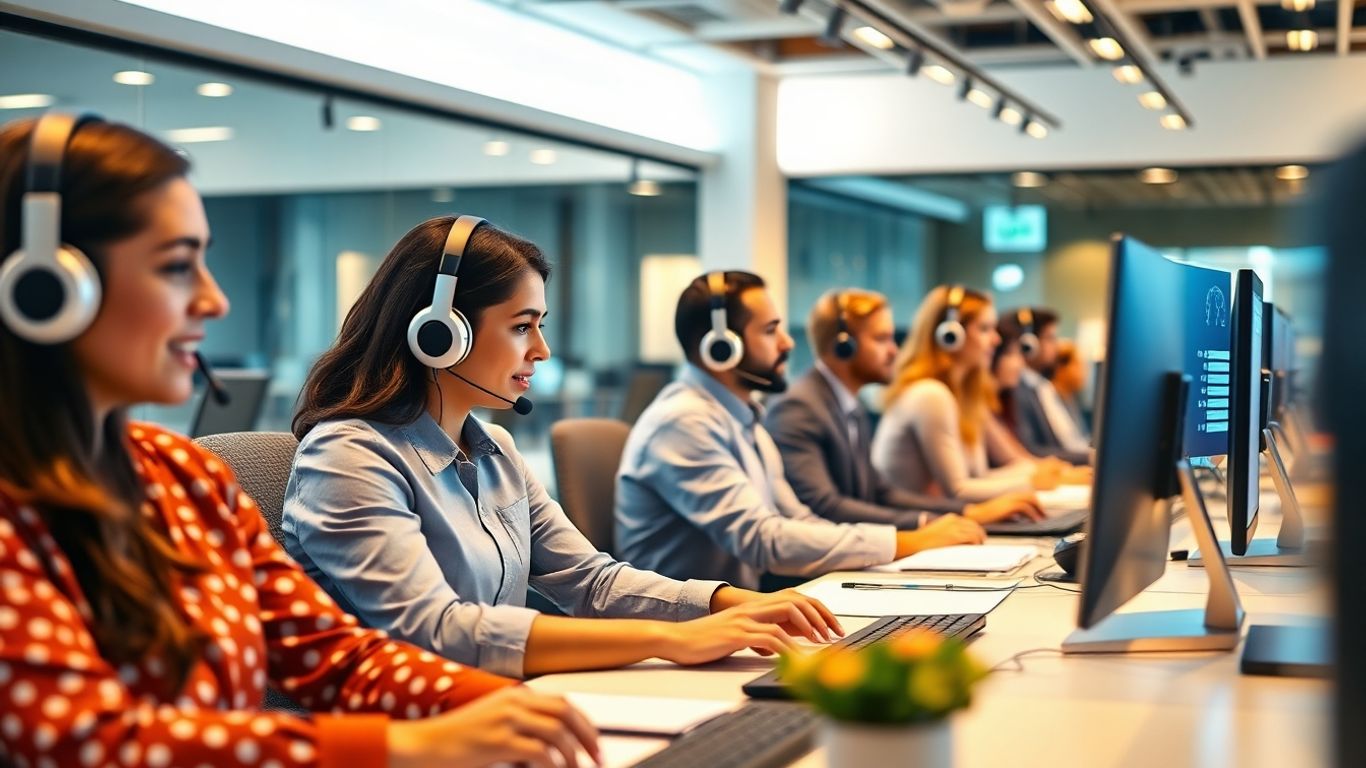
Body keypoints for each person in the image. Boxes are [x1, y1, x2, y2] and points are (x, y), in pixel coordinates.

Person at [0, 114, 601, 768]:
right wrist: (406, 745)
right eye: (177, 267)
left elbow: (335, 652)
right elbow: (90, 743)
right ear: (44, 288)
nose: (214, 300)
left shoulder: (181, 475)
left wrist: (501, 707)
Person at [284, 217, 840, 681]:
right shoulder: (348, 457)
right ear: (440, 331)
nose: (543, 351)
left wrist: (727, 603)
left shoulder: (494, 449)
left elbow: (590, 581)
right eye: (523, 327)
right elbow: (436, 631)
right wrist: (669, 640)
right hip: (412, 739)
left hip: (502, 708)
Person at [615, 271, 986, 590]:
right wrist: (909, 541)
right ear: (721, 347)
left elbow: (800, 519)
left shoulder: (743, 418)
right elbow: (765, 540)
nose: (788, 343)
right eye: (771, 330)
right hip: (684, 632)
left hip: (739, 613)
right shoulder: (684, 423)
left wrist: (897, 547)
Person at [765, 288, 1044, 528]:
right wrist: (926, 525)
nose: (894, 351)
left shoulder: (849, 405)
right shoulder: (800, 406)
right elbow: (825, 506)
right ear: (843, 347)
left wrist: (963, 513)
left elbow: (880, 491)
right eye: (881, 339)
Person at [871, 286, 1088, 503]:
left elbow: (981, 476)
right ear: (950, 334)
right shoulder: (930, 394)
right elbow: (957, 490)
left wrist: (1047, 475)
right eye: (985, 329)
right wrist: (1032, 481)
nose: (995, 340)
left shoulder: (965, 397)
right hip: (920, 527)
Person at [998, 307, 1090, 465]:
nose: (1056, 345)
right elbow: (1032, 448)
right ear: (1029, 343)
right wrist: (1089, 457)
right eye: (1050, 338)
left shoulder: (1043, 386)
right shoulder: (1016, 390)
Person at [1050, 339, 1092, 439]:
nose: (1084, 371)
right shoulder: (1051, 398)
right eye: (1078, 364)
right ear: (1061, 367)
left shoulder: (1070, 399)